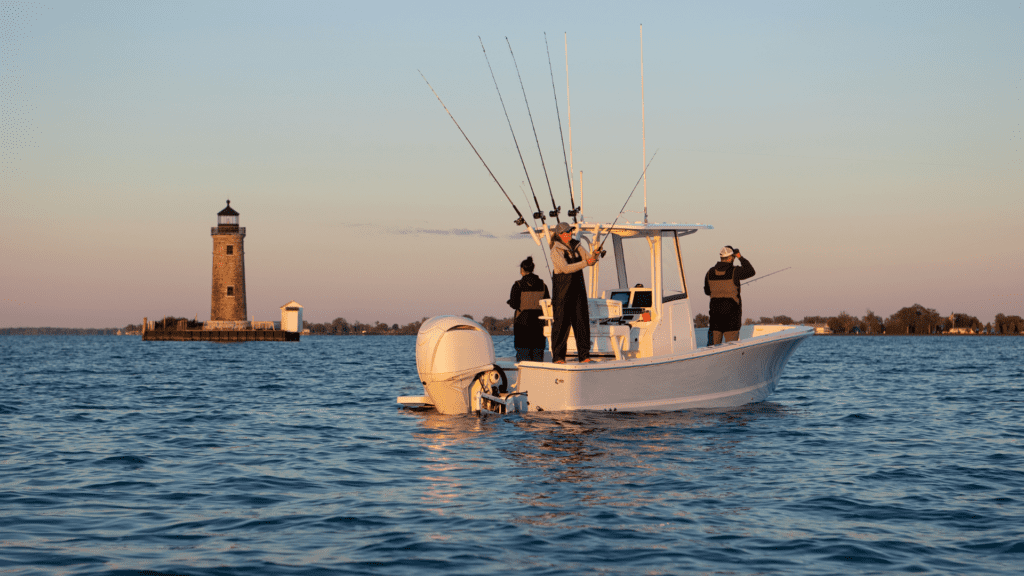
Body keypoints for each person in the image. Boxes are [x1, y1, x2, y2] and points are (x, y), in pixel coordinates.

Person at [549, 222, 599, 364]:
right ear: (560, 235)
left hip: (578, 290)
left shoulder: (577, 245)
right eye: (567, 232)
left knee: (581, 322)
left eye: (570, 231)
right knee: (561, 324)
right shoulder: (555, 250)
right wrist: (586, 263)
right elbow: (565, 268)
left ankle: (584, 356)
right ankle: (558, 357)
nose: (570, 233)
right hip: (562, 293)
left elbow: (590, 260)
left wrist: (595, 255)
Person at [703, 246, 755, 345]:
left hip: (715, 319)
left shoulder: (710, 272)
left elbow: (707, 291)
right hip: (732, 320)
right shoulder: (735, 271)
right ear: (731, 258)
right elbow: (751, 271)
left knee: (711, 349)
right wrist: (740, 256)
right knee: (730, 351)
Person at [507, 256, 550, 362]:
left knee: (523, 355)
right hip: (539, 326)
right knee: (537, 354)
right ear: (532, 269)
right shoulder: (543, 285)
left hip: (523, 326)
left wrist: (510, 302)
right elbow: (547, 303)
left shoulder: (517, 285)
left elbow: (514, 304)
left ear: (522, 270)